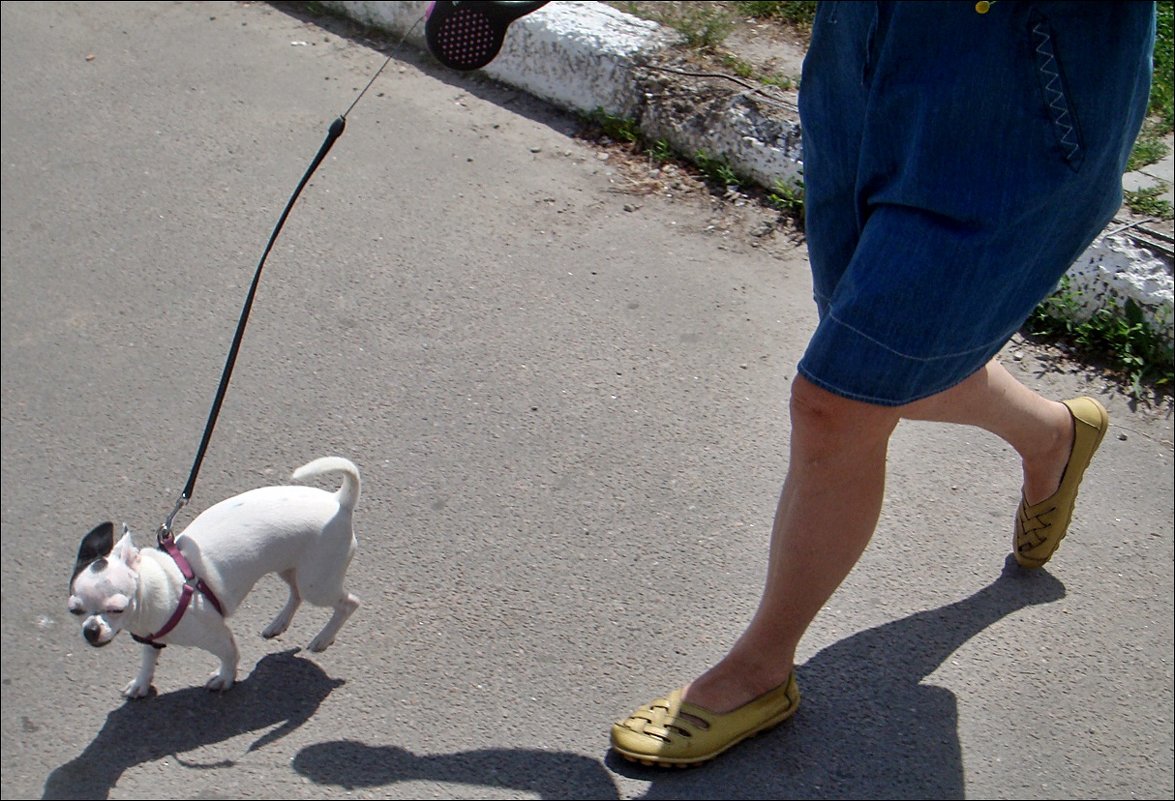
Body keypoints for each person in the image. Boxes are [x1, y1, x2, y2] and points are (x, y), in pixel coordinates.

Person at [610, 0, 1156, 767]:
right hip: (862, 45)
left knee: (836, 400)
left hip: (1023, 80)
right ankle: (1052, 434)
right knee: (880, 362)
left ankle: (759, 668)